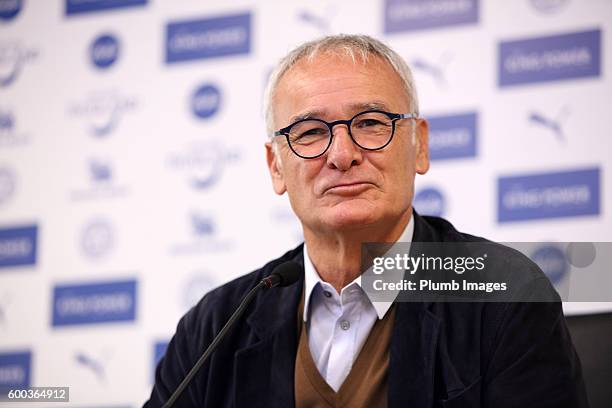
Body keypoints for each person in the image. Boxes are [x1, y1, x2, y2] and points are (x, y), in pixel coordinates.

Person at [145, 34, 588, 407]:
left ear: (419, 146)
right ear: (276, 167)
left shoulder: (506, 296)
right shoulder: (214, 327)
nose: (342, 155)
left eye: (372, 122)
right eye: (311, 132)